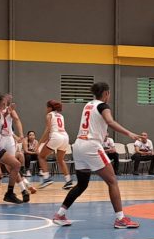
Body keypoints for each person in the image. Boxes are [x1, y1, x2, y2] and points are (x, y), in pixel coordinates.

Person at [52, 82, 141, 228]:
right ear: (106, 93)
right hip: (91, 146)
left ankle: (60, 214)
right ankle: (120, 219)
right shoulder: (103, 106)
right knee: (112, 181)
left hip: (78, 145)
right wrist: (129, 133)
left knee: (82, 184)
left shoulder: (88, 105)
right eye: (109, 93)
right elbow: (109, 121)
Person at [37, 100, 74, 190]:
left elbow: (48, 130)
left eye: (47, 107)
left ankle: (46, 178)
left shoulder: (49, 115)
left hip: (56, 136)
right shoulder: (61, 116)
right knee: (60, 160)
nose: (46, 109)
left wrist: (39, 143)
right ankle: (68, 181)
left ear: (50, 108)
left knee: (41, 156)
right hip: (65, 137)